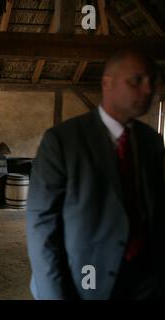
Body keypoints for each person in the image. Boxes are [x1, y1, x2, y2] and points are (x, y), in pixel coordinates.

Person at [26, 50, 165, 300]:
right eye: (137, 80)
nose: (148, 90)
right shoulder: (63, 141)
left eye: (152, 82)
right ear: (107, 83)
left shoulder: (152, 142)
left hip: (144, 282)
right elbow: (41, 226)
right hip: (86, 282)